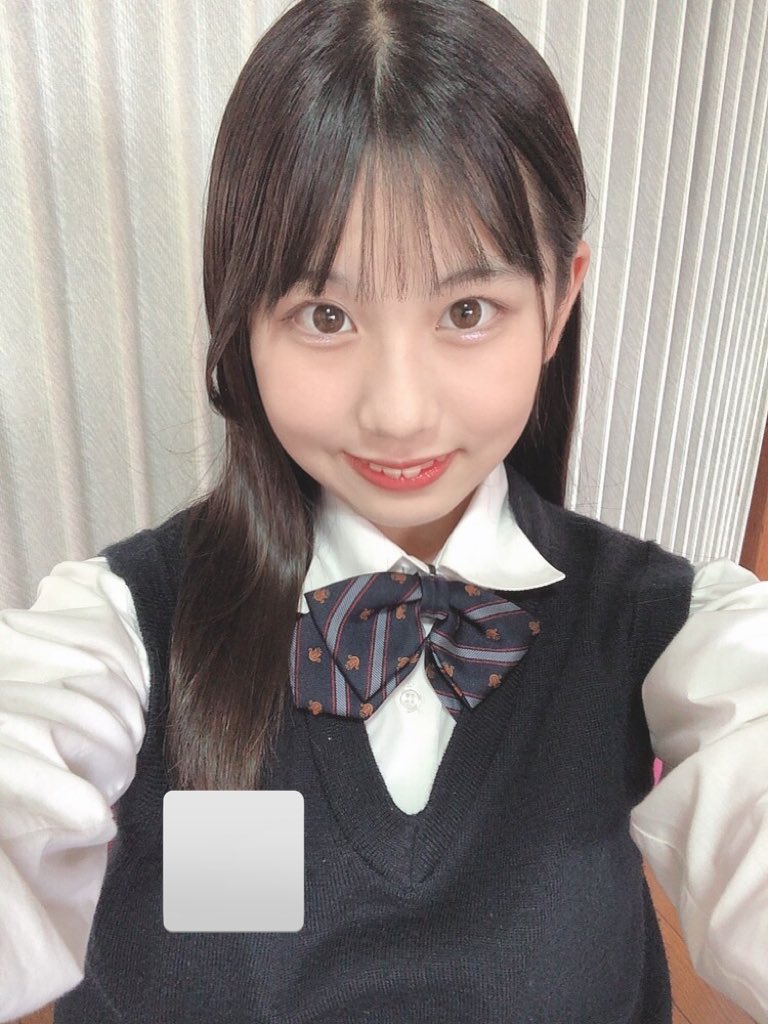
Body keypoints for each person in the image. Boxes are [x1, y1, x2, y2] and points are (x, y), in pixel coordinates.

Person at [0, 0, 766, 1021]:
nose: (398, 411)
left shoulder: (668, 630)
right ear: (241, 315)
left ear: (559, 301)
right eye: (325, 315)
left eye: (466, 311)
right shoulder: (115, 636)